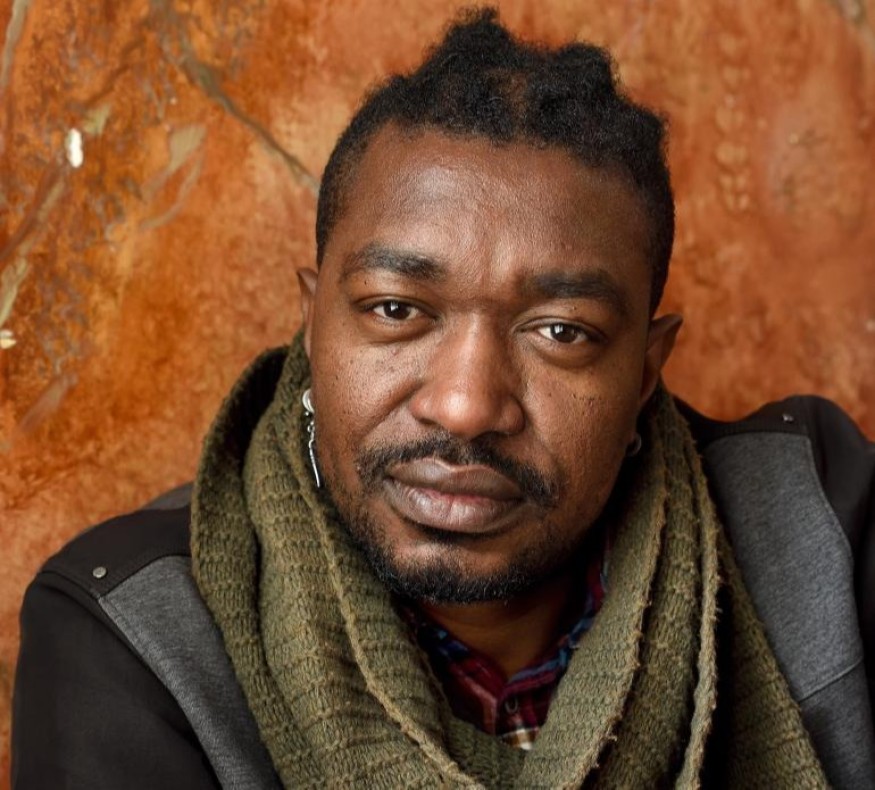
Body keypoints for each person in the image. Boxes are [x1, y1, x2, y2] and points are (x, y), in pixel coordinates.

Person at [12, 8, 875, 788]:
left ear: (645, 371)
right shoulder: (137, 630)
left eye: (560, 331)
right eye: (396, 310)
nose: (464, 406)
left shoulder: (822, 524)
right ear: (311, 325)